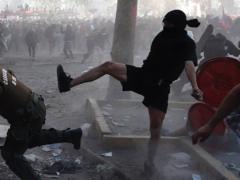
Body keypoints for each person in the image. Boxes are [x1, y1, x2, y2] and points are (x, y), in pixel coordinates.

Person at [57, 10, 203, 174]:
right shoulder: (162, 35)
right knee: (108, 66)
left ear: (176, 25)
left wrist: (195, 87)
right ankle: (68, 84)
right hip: (144, 75)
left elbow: (189, 65)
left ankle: (149, 163)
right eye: (164, 22)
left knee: (155, 130)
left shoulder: (186, 43)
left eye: (168, 23)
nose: (164, 25)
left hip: (160, 87)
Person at [0, 58, 82, 180]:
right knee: (27, 139)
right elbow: (11, 75)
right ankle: (72, 135)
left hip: (27, 115)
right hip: (34, 106)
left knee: (11, 154)